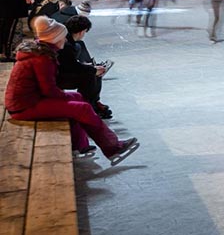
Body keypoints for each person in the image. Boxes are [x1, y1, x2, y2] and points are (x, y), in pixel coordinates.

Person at [4, 17, 139, 164]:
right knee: (82, 108)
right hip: (25, 106)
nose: (65, 40)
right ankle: (113, 147)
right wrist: (65, 98)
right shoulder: (43, 58)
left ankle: (80, 146)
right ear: (55, 39)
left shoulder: (42, 52)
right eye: (63, 37)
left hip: (28, 101)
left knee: (78, 98)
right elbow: (49, 90)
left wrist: (69, 97)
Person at [55, 15, 110, 118]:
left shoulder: (70, 41)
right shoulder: (67, 45)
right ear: (82, 31)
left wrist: (89, 67)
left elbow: (71, 64)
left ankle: (94, 102)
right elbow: (71, 66)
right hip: (59, 76)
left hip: (62, 71)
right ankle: (86, 105)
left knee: (94, 71)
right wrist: (91, 69)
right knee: (90, 75)